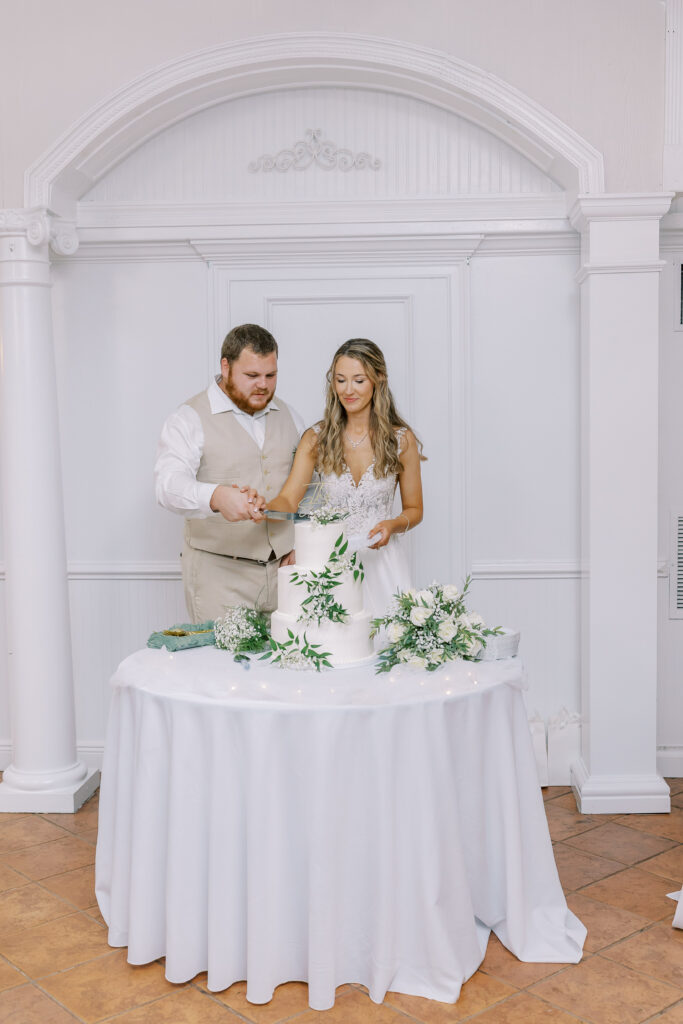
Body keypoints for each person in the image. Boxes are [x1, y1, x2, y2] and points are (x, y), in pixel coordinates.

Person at [155, 324, 305, 621]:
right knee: (219, 667)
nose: (263, 385)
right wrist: (217, 497)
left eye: (270, 375)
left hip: (286, 576)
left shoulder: (290, 415)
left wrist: (305, 546)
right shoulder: (189, 417)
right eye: (251, 376)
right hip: (219, 579)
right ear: (226, 366)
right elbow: (167, 486)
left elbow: (312, 485)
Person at [267, 338, 424, 618]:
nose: (348, 390)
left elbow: (415, 509)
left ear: (378, 380)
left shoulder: (401, 440)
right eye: (340, 380)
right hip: (329, 561)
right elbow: (288, 499)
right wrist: (262, 510)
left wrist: (392, 525)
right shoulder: (316, 438)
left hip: (383, 563)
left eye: (359, 380)